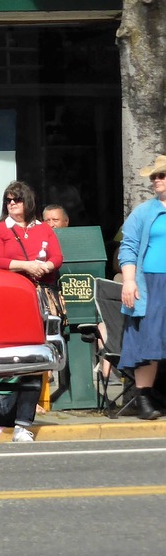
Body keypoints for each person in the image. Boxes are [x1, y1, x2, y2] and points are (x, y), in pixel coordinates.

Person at [0, 181, 64, 443]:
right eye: (8, 200)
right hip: (6, 301)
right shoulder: (0, 230)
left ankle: (23, 425)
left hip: (38, 300)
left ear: (27, 202)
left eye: (16, 200)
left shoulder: (43, 229)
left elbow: (57, 257)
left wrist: (44, 267)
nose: (11, 204)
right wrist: (27, 266)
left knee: (32, 361)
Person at [116, 154, 166, 420]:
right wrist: (129, 280)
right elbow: (129, 247)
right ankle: (144, 398)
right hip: (151, 284)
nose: (156, 180)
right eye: (154, 176)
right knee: (149, 338)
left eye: (162, 175)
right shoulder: (143, 212)